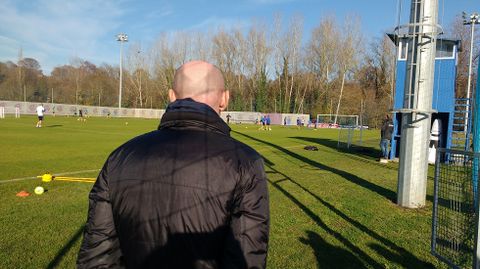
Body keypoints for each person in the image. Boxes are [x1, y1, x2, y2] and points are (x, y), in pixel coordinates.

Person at [77, 61, 270, 269]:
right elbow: (246, 258)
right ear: (225, 98)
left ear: (171, 96)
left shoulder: (120, 156)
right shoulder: (246, 161)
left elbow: (97, 257)